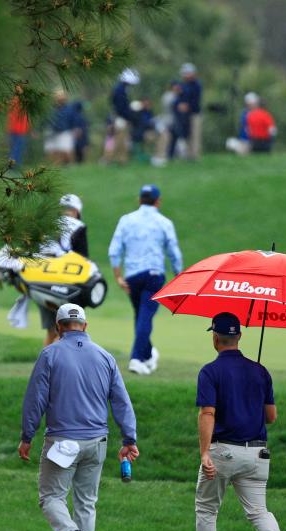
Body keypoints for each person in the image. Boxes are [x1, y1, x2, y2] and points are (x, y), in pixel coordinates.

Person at [18, 303, 139, 531]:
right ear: (85, 326)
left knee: (51, 497)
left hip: (62, 441)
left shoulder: (49, 354)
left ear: (58, 327)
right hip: (97, 442)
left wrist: (27, 435)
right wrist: (129, 438)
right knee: (86, 503)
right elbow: (121, 401)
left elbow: (35, 400)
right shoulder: (105, 357)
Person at [180, 313, 286, 531]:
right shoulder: (260, 371)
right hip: (257, 455)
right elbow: (271, 417)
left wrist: (204, 453)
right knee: (259, 512)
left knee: (207, 510)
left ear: (215, 337)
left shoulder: (210, 371)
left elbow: (207, 413)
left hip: (224, 452)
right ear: (239, 337)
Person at [108, 184, 183, 375]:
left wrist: (118, 276)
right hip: (154, 275)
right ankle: (136, 359)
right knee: (145, 315)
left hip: (132, 276)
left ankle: (148, 354)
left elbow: (114, 250)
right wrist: (179, 276)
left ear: (139, 199)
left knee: (140, 315)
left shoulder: (126, 220)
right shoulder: (164, 222)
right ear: (158, 201)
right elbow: (174, 253)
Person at [38, 194, 89, 346]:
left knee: (52, 331)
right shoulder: (78, 227)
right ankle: (63, 364)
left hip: (41, 285)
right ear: (77, 211)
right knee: (72, 329)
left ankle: (45, 366)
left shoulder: (47, 226)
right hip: (66, 286)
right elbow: (83, 259)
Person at [103, 68, 139, 164]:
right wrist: (128, 117)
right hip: (120, 119)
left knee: (122, 140)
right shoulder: (120, 91)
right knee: (118, 140)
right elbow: (121, 108)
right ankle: (109, 160)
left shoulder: (121, 89)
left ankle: (121, 160)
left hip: (119, 117)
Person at [175, 63, 203, 160]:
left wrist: (187, 106)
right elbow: (180, 99)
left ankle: (194, 156)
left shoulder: (197, 85)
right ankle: (187, 155)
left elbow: (195, 100)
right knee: (187, 135)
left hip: (194, 113)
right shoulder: (183, 85)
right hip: (184, 115)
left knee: (195, 135)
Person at [44, 89, 76, 165]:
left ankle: (69, 165)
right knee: (51, 151)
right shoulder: (50, 108)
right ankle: (54, 167)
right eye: (58, 97)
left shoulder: (69, 109)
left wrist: (75, 129)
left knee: (66, 151)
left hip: (65, 131)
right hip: (52, 131)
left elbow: (73, 120)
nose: (60, 99)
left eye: (61, 97)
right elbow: (45, 119)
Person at [7, 96, 30, 169]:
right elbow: (25, 117)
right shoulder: (23, 101)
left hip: (13, 128)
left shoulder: (13, 100)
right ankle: (15, 165)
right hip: (20, 129)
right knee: (17, 148)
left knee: (14, 147)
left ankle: (13, 165)